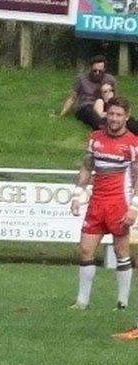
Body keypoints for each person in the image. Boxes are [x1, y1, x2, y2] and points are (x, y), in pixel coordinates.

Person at [72, 96, 138, 314]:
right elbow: (86, 166)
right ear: (106, 114)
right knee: (85, 250)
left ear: (126, 117)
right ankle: (82, 302)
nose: (114, 118)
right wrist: (77, 193)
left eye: (119, 115)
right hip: (96, 203)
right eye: (111, 113)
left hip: (119, 203)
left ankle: (122, 303)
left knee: (121, 252)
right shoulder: (95, 138)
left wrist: (134, 207)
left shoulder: (132, 143)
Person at [61, 55, 118, 130]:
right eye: (94, 71)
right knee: (91, 114)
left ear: (104, 69)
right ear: (90, 68)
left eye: (100, 71)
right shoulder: (81, 79)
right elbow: (72, 98)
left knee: (121, 116)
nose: (97, 73)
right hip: (86, 107)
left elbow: (115, 96)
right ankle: (102, 129)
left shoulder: (110, 79)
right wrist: (61, 114)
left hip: (104, 106)